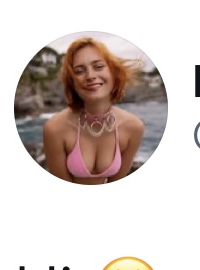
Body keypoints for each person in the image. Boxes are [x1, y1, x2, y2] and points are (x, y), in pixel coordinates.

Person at [41, 38, 144, 185]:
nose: (90, 76)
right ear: (72, 82)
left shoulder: (133, 127)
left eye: (98, 66)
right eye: (79, 71)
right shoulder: (55, 128)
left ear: (113, 73)